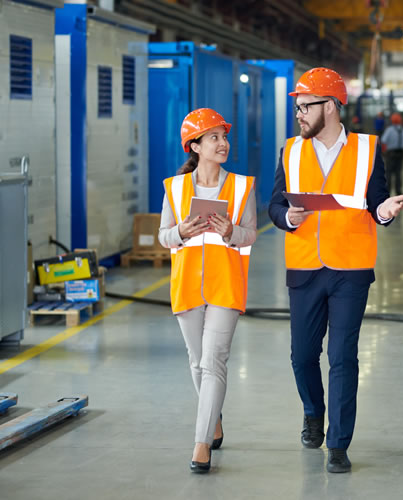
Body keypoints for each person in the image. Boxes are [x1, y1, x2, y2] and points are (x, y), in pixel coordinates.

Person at [268, 68, 403, 474]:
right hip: (305, 268)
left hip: (350, 269)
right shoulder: (290, 151)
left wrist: (383, 212)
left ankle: (338, 443)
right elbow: (274, 205)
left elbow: (377, 201)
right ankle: (313, 411)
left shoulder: (367, 149)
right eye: (296, 108)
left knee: (343, 357)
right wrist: (287, 217)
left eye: (305, 107)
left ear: (329, 106)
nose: (298, 114)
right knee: (303, 356)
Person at [159, 108, 257, 473]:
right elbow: (164, 236)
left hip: (225, 285)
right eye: (213, 137)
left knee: (214, 361)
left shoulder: (241, 186)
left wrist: (231, 231)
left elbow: (251, 233)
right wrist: (182, 232)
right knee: (197, 361)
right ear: (195, 146)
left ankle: (201, 444)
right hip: (187, 286)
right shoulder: (176, 187)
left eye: (224, 137)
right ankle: (213, 418)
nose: (223, 143)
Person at [381, 112, 403, 195]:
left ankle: (387, 191)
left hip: (390, 154)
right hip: (400, 154)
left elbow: (383, 141)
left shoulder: (389, 130)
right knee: (398, 172)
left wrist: (384, 151)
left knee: (388, 173)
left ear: (392, 120)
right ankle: (399, 191)